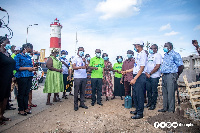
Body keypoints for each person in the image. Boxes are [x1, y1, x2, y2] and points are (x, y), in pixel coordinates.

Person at [122, 41, 147, 119]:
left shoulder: (143, 54)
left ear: (138, 46)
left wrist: (135, 79)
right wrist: (127, 71)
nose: (134, 47)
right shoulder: (138, 54)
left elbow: (142, 68)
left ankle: (140, 113)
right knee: (135, 94)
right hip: (136, 75)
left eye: (135, 45)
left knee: (139, 95)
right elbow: (136, 67)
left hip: (140, 76)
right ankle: (137, 109)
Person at [158, 42, 184, 113]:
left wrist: (176, 75)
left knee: (170, 93)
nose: (164, 48)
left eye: (166, 46)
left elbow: (181, 66)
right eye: (164, 46)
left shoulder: (175, 54)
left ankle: (171, 110)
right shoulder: (165, 55)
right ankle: (165, 108)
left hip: (171, 75)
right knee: (165, 92)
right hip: (164, 75)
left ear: (170, 47)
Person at [14, 43, 37, 116]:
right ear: (25, 48)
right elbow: (17, 67)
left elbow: (30, 65)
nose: (30, 52)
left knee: (26, 93)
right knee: (21, 93)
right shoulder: (18, 56)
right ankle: (21, 109)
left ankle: (26, 107)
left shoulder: (28, 57)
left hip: (29, 76)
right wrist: (28, 68)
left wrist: (33, 68)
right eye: (29, 50)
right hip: (21, 76)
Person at [0, 36, 16, 125]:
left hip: (8, 78)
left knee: (5, 97)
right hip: (1, 78)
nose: (9, 44)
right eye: (7, 42)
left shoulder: (8, 54)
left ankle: (1, 115)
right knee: (0, 97)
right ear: (2, 43)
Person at [144, 44, 162, 110]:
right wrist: (146, 73)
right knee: (148, 90)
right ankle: (149, 103)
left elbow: (157, 66)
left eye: (152, 48)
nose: (151, 49)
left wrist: (150, 73)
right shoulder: (149, 56)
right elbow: (145, 65)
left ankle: (153, 105)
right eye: (150, 48)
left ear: (156, 49)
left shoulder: (158, 55)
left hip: (154, 76)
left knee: (154, 91)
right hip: (148, 76)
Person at [72, 47, 88, 111]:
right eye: (81, 50)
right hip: (77, 77)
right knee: (76, 92)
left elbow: (87, 67)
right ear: (78, 51)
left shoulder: (84, 59)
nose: (82, 52)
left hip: (84, 77)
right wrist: (81, 67)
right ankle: (75, 105)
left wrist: (84, 62)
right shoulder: (75, 58)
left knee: (82, 91)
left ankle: (82, 103)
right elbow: (73, 67)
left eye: (83, 51)